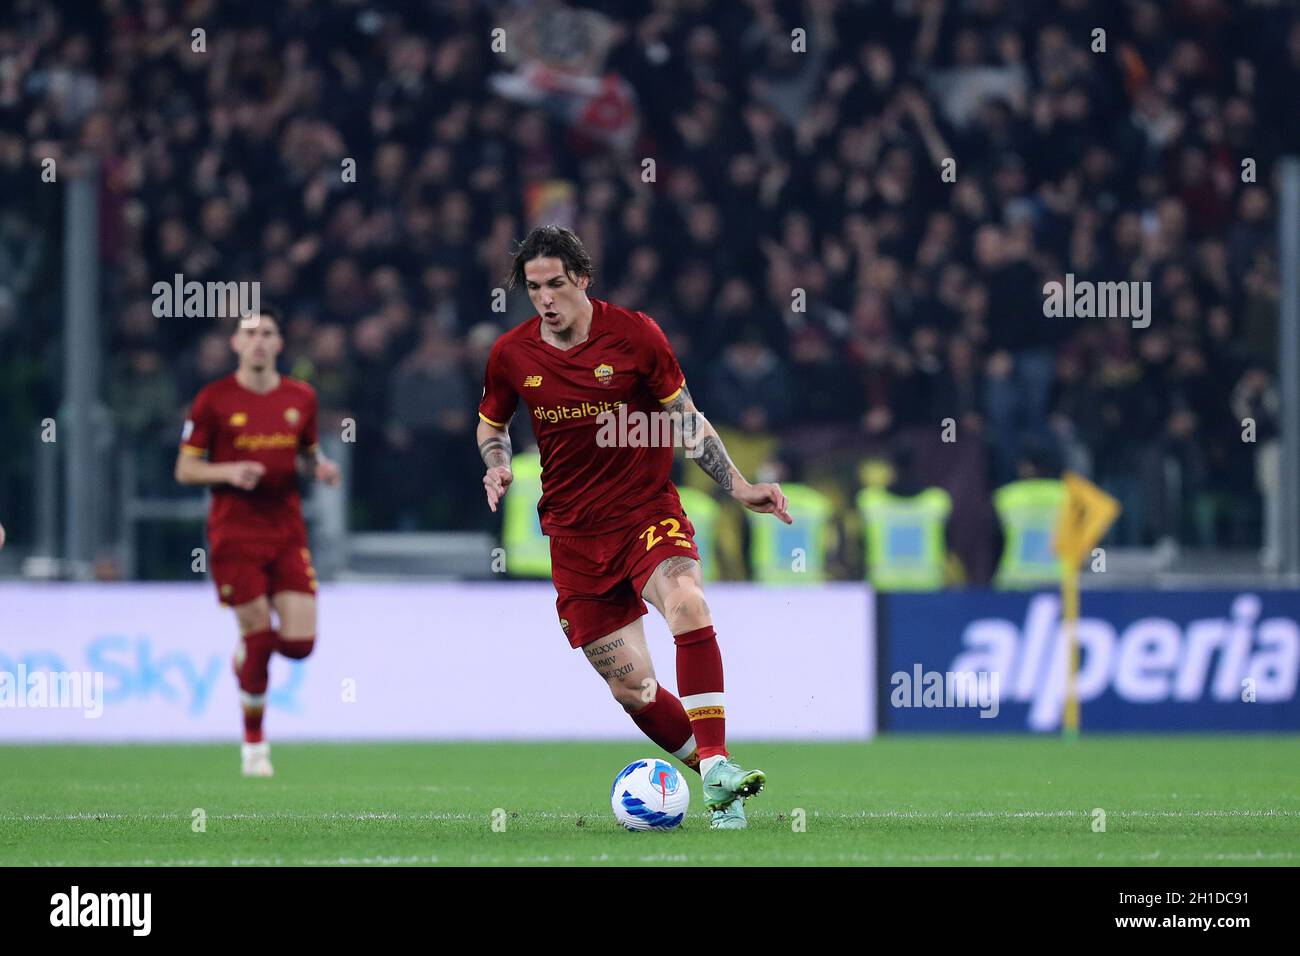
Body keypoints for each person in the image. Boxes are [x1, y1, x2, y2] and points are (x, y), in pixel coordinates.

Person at [476, 226, 791, 829]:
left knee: (687, 602)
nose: (546, 299)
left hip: (646, 514)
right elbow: (491, 426)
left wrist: (740, 486)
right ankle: (717, 783)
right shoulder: (511, 354)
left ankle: (719, 760)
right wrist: (495, 466)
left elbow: (686, 420)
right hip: (573, 539)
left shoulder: (637, 335)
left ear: (583, 279)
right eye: (535, 288)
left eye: (557, 285)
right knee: (635, 692)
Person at [174, 307, 340, 777]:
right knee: (259, 634)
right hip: (235, 533)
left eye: (268, 332)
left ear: (280, 343)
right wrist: (228, 471)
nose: (259, 341)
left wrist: (320, 468)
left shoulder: (301, 397)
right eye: (250, 333)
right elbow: (185, 468)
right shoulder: (213, 400)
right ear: (236, 345)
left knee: (301, 644)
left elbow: (306, 454)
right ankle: (254, 744)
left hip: (286, 532)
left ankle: (247, 654)